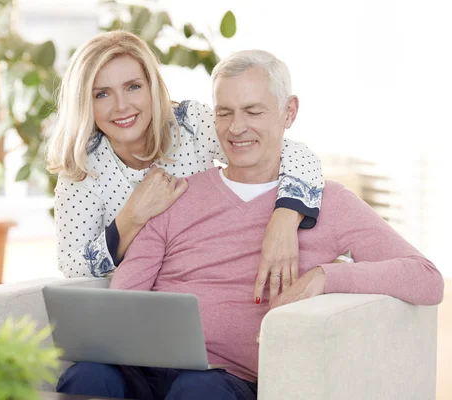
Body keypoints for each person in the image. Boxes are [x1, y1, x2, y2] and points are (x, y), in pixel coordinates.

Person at [55, 49, 444, 400]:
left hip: (225, 379)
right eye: (225, 113)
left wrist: (325, 277)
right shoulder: (174, 193)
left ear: (289, 112)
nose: (236, 128)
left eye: (253, 111)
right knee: (87, 376)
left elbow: (427, 278)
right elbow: (124, 295)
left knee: (198, 390)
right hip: (145, 368)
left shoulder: (331, 202)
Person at [46, 31, 324, 298]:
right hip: (142, 300)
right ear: (85, 102)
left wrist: (285, 219)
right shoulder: (82, 168)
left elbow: (291, 154)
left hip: (212, 279)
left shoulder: (190, 125)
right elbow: (72, 265)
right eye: (102, 94)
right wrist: (131, 218)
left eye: (133, 87)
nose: (121, 106)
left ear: (152, 87)